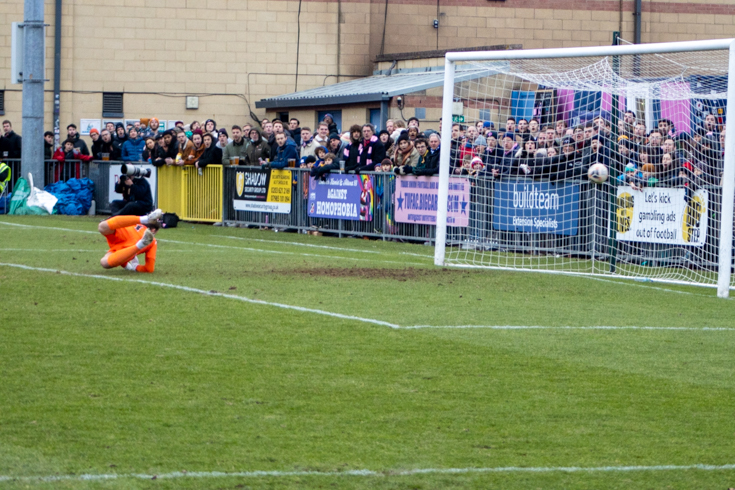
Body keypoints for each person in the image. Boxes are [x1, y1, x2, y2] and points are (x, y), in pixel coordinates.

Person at [98, 209, 162, 273]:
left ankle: (145, 218)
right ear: (153, 230)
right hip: (130, 249)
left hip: (122, 234)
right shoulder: (152, 241)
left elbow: (118, 222)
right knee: (104, 262)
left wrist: (126, 266)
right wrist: (136, 266)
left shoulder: (133, 222)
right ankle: (140, 244)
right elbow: (149, 269)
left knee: (102, 227)